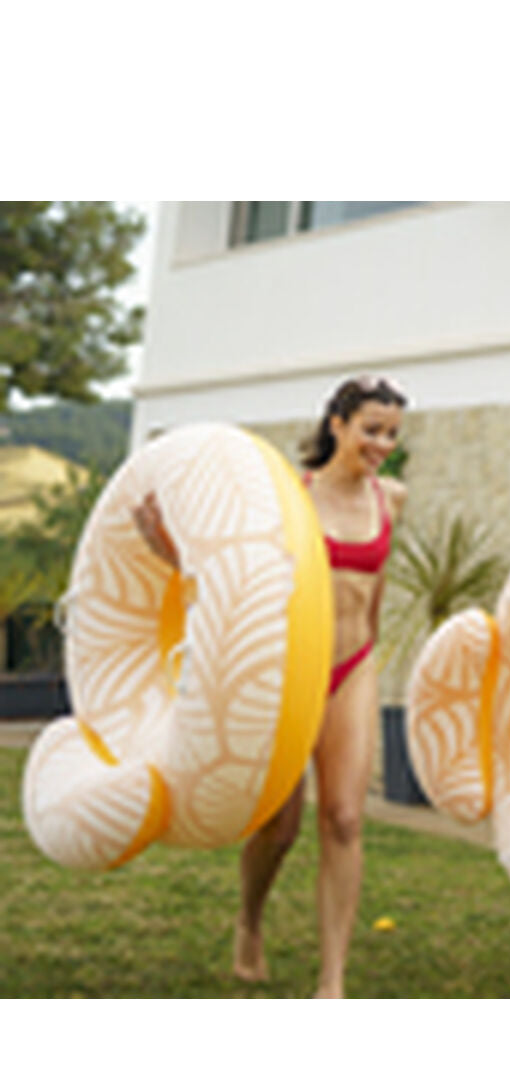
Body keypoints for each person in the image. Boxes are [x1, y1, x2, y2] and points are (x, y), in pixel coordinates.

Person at [132, 376, 408, 998]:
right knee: (280, 829)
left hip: (354, 666)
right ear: (336, 425)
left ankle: (331, 983)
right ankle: (250, 921)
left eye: (392, 433)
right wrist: (170, 551)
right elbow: (235, 574)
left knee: (344, 818)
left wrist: (370, 647)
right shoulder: (291, 496)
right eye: (371, 430)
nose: (382, 445)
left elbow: (377, 584)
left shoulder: (391, 497)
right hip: (292, 670)